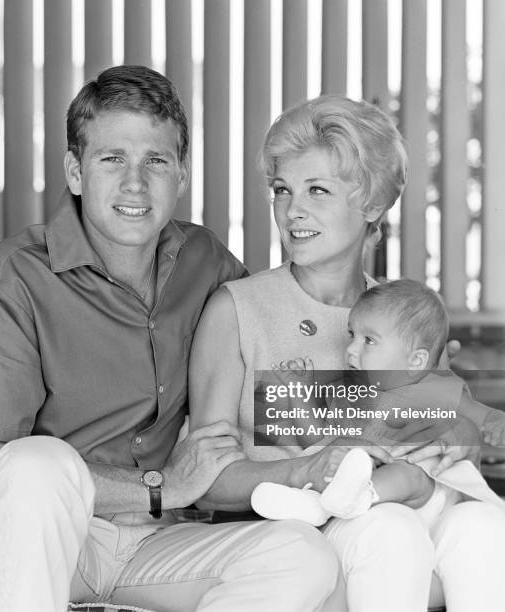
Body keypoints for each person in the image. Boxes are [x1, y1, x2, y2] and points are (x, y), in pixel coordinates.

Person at [0, 66, 344, 612]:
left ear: (181, 175)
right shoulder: (13, 275)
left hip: (156, 543)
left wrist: (411, 397)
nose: (135, 183)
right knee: (34, 463)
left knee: (302, 554)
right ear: (76, 171)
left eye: (156, 160)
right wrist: (164, 486)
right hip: (42, 533)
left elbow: (277, 370)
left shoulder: (208, 265)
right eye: (113, 159)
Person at [189, 95, 505, 612]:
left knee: (486, 525)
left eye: (318, 190)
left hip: (396, 509)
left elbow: (445, 430)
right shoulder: (236, 311)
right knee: (391, 529)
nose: (293, 210)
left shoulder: (405, 320)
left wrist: (450, 442)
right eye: (281, 190)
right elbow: (205, 482)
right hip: (292, 537)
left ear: (373, 205)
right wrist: (309, 468)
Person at [251, 279, 505, 532]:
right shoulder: (350, 395)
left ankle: (344, 501)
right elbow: (317, 441)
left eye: (368, 340)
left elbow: (485, 419)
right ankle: (315, 506)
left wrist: (494, 424)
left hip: (429, 499)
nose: (351, 348)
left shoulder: (434, 389)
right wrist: (299, 395)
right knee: (336, 462)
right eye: (352, 335)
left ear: (416, 360)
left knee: (409, 473)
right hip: (369, 508)